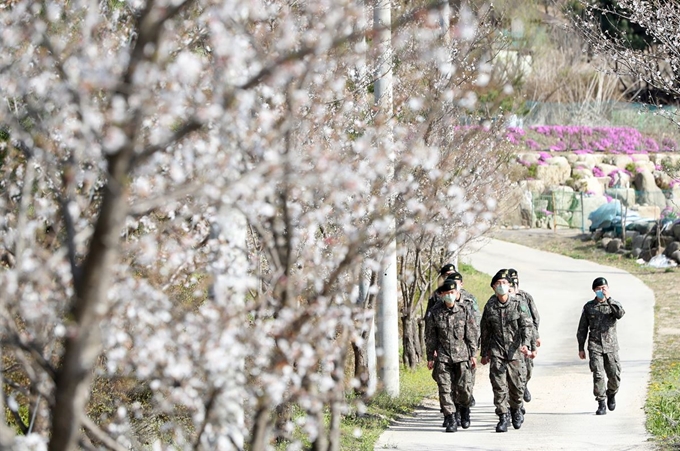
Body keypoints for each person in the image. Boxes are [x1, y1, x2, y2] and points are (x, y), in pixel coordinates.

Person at [480, 269, 533, 432]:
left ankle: (516, 409)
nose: (501, 286)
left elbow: (526, 325)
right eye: (498, 284)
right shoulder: (490, 306)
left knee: (517, 386)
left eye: (504, 283)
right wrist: (484, 352)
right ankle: (503, 416)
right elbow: (485, 330)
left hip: (515, 351)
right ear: (493, 287)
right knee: (499, 386)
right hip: (497, 352)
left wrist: (526, 344)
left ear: (509, 285)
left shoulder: (519, 304)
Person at [425, 281, 478, 432]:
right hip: (443, 356)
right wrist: (430, 356)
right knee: (445, 388)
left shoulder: (465, 310)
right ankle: (450, 418)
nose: (449, 296)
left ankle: (464, 409)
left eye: (452, 293)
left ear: (456, 294)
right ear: (441, 295)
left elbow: (472, 333)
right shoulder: (435, 312)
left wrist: (473, 354)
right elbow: (430, 336)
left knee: (464, 388)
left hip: (462, 356)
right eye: (446, 293)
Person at [577, 277, 625, 415]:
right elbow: (582, 328)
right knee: (598, 375)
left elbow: (620, 314)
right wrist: (581, 347)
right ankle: (601, 402)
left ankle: (611, 394)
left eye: (604, 288)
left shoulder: (614, 304)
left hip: (611, 346)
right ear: (594, 291)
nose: (601, 291)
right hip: (595, 345)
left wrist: (609, 299)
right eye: (598, 289)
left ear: (608, 288)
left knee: (614, 375)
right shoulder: (589, 307)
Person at [444, 271, 480, 412]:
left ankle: (465, 403)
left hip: (465, 348)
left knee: (465, 381)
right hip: (446, 350)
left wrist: (475, 349)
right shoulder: (438, 300)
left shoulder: (469, 300)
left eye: (457, 283)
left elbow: (475, 322)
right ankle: (453, 411)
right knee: (447, 383)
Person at [507, 268, 540, 403]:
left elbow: (534, 318)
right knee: (513, 372)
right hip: (511, 341)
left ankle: (524, 385)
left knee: (528, 368)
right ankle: (515, 400)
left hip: (527, 338)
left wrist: (535, 336)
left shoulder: (525, 297)